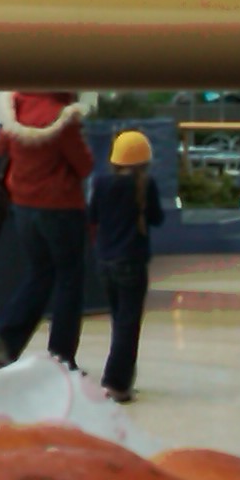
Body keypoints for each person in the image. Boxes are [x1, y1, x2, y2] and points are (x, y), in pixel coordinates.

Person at [0, 91, 94, 369]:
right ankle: (60, 358)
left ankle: (6, 336)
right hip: (61, 207)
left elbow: (1, 146)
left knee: (39, 272)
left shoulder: (15, 107)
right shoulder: (62, 116)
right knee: (69, 280)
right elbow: (84, 165)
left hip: (23, 206)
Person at [88, 130, 165, 402]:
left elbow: (92, 216)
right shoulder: (145, 185)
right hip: (132, 262)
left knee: (119, 321)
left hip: (105, 262)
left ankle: (122, 378)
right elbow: (157, 218)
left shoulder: (101, 183)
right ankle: (116, 382)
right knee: (128, 325)